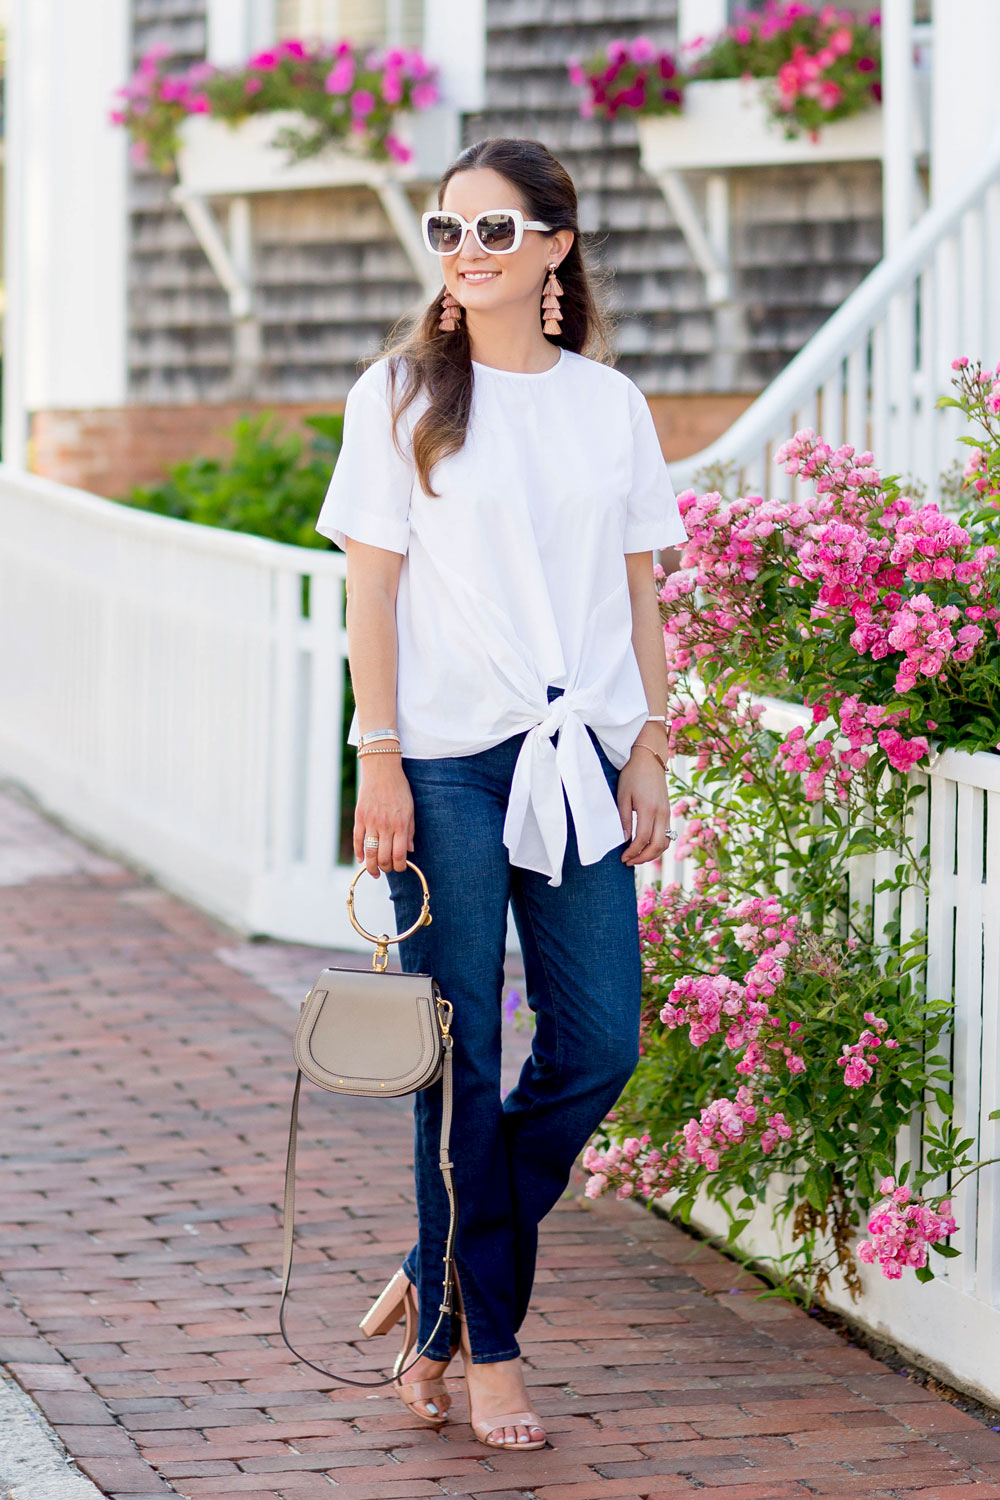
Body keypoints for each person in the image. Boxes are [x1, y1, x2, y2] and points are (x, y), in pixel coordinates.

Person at [315, 135, 687, 1453]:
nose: (465, 254)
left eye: (492, 230)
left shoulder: (610, 406)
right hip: (446, 767)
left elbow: (641, 588)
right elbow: (371, 590)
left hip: (580, 759)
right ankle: (490, 1359)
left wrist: (649, 739)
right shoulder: (404, 394)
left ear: (556, 247)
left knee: (600, 1045)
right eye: (447, 232)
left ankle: (439, 1272)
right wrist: (377, 757)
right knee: (460, 1064)